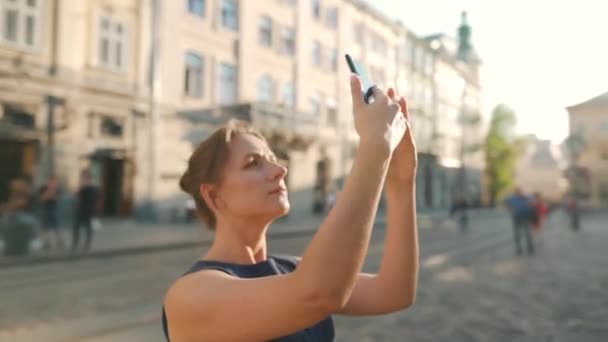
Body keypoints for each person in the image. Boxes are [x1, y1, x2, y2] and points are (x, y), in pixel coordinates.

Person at [162, 76, 419, 341]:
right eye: (253, 163)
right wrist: (374, 148)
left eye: (274, 160)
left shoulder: (291, 269)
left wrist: (402, 182)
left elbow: (394, 291)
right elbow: (317, 294)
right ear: (214, 196)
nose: (280, 170)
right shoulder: (189, 295)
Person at [71, 171, 98, 253]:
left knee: (88, 228)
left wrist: (94, 210)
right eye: (83, 178)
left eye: (85, 178)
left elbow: (95, 199)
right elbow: (76, 194)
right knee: (76, 228)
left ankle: (87, 244)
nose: (84, 180)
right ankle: (75, 244)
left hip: (88, 211)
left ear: (89, 179)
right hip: (80, 211)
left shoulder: (92, 188)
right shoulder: (83, 188)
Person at [504, 187, 535, 255]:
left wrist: (529, 204)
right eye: (517, 191)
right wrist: (510, 209)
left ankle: (530, 247)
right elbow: (506, 203)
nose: (519, 193)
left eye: (520, 191)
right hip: (516, 217)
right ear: (515, 192)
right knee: (517, 234)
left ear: (522, 191)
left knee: (528, 233)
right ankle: (519, 248)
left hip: (526, 217)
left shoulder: (526, 197)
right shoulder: (512, 198)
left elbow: (532, 203)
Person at [39, 175, 64, 252]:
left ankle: (60, 241)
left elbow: (57, 198)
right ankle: (46, 242)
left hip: (54, 209)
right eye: (51, 181)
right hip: (45, 209)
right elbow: (42, 199)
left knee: (57, 225)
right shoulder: (43, 188)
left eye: (54, 182)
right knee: (45, 226)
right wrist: (48, 194)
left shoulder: (58, 189)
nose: (52, 183)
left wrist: (50, 194)